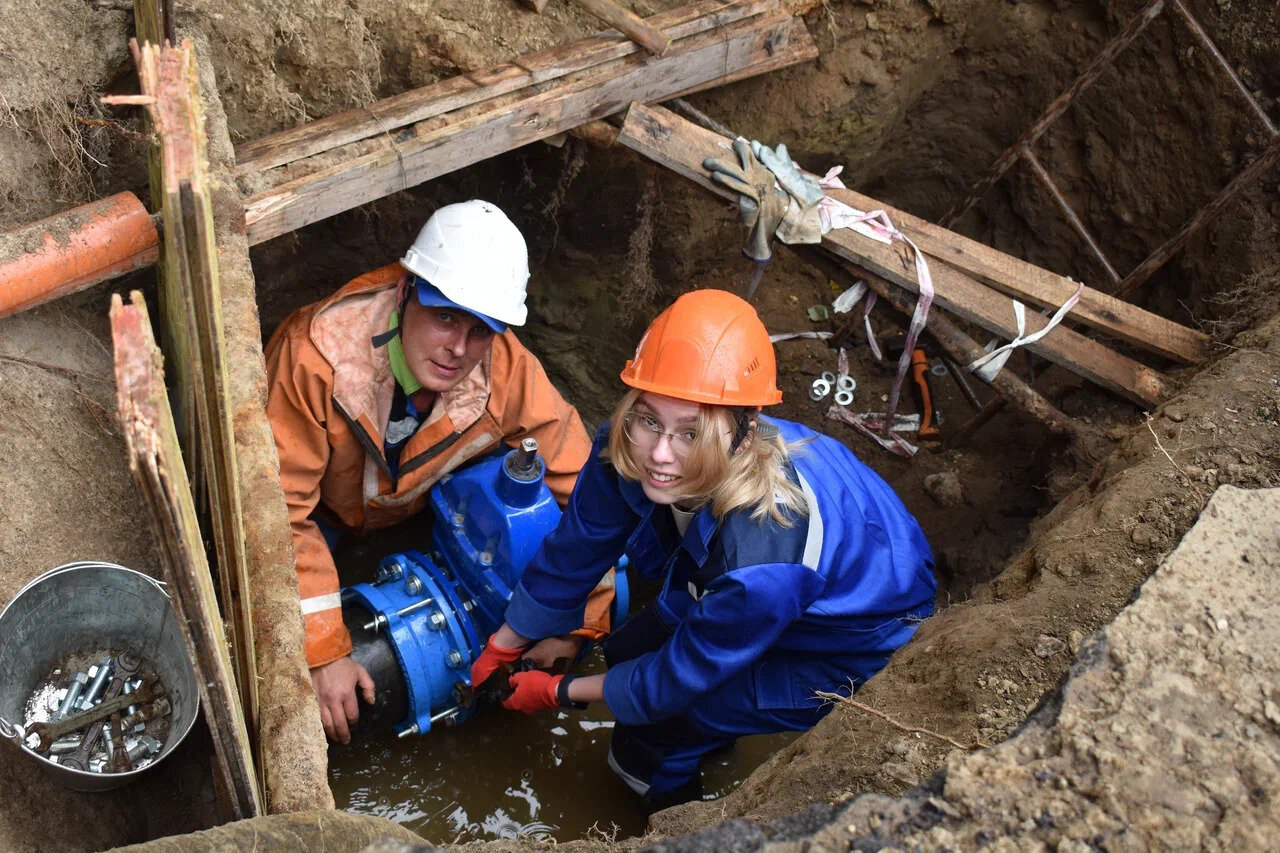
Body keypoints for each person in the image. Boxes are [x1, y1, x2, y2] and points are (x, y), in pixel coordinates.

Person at [470, 289, 936, 810]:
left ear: (744, 436)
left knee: (658, 730)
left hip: (860, 635)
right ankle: (711, 741)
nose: (660, 455)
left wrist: (556, 693)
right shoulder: (626, 445)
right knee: (626, 649)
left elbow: (674, 681)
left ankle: (669, 815)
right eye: (649, 420)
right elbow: (576, 548)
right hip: (803, 574)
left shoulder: (761, 555)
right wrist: (507, 643)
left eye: (692, 433)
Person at [265, 200, 612, 743]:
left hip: (415, 509)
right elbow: (275, 513)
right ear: (406, 291)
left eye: (481, 330)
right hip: (321, 516)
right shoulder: (316, 359)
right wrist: (325, 648)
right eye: (444, 315)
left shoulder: (508, 368)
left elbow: (594, 496)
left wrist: (577, 623)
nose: (457, 349)